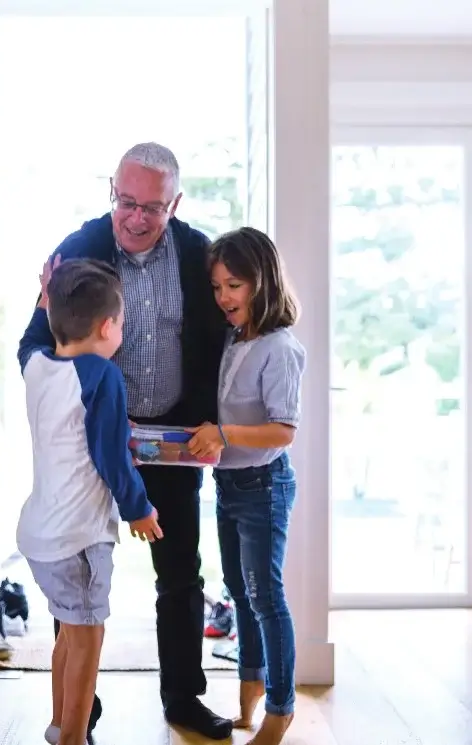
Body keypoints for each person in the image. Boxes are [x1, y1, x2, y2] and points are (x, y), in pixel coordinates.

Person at [18, 142, 231, 740]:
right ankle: (78, 715)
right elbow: (36, 342)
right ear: (112, 192)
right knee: (76, 585)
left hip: (172, 439)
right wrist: (69, 395)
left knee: (181, 574)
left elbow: (223, 341)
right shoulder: (80, 248)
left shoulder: (198, 254)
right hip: (92, 446)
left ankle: (184, 699)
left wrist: (213, 421)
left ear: (176, 204)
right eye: (126, 202)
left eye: (153, 208)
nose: (137, 218)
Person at [16, 258, 164, 745]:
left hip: (40, 536)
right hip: (78, 538)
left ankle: (60, 728)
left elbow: (28, 342)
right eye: (120, 322)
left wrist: (45, 302)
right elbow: (109, 456)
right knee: (88, 640)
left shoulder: (39, 366)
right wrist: (138, 508)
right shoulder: (101, 376)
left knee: (69, 634)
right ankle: (74, 739)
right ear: (107, 326)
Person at [185, 227, 306, 745]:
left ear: (263, 281)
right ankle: (249, 687)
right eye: (217, 287)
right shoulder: (237, 338)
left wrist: (224, 433)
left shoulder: (280, 348)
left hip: (264, 486)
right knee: (240, 592)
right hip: (230, 481)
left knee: (266, 598)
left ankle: (281, 707)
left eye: (234, 285)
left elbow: (284, 431)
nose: (224, 297)